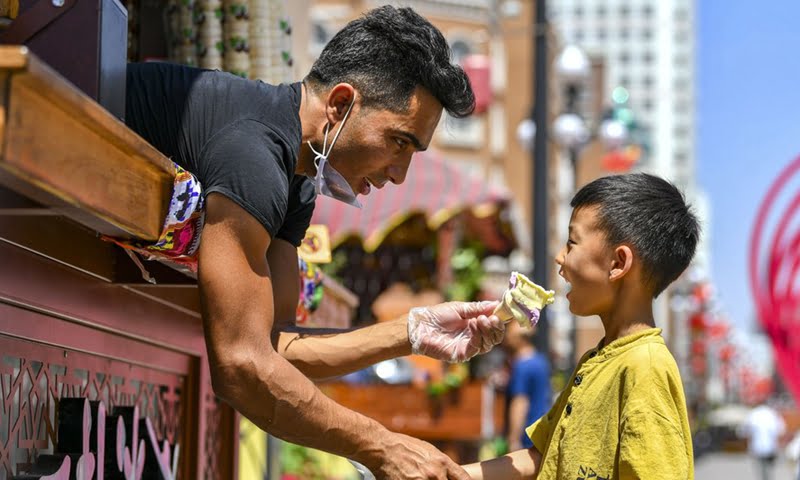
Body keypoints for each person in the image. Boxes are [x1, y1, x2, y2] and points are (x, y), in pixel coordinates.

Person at [124, 6, 506, 479]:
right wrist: (382, 448)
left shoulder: (298, 178)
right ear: (341, 104)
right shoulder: (256, 152)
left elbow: (276, 346)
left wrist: (411, 333)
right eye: (399, 143)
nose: (399, 174)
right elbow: (241, 366)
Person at [463, 173, 700, 479]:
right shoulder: (596, 360)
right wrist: (448, 474)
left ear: (618, 264)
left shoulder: (646, 367)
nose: (560, 258)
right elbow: (541, 457)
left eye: (572, 242)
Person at [502, 320, 552, 451]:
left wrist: (513, 439)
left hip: (526, 437)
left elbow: (520, 402)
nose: (506, 339)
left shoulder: (522, 366)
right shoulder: (541, 361)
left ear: (520, 339)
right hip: (540, 432)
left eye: (509, 335)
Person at [743, 401, 786, 480]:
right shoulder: (772, 414)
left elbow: (745, 431)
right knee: (769, 469)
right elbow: (781, 430)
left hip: (757, 447)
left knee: (761, 469)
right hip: (771, 446)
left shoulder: (753, 414)